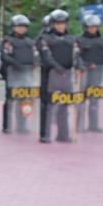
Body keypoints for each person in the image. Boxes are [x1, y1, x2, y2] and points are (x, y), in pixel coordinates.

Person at [39, 9, 80, 143]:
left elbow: (77, 55)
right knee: (49, 105)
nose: (61, 26)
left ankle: (63, 135)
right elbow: (46, 56)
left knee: (65, 105)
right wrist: (57, 67)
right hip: (51, 74)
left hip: (67, 75)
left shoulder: (72, 39)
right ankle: (45, 135)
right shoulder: (45, 39)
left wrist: (80, 65)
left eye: (63, 23)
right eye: (58, 23)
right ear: (52, 24)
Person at [1, 14, 39, 134]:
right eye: (19, 26)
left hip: (27, 74)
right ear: (13, 27)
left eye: (24, 27)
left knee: (24, 100)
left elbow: (36, 55)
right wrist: (16, 64)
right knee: (10, 100)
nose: (21, 29)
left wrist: (36, 63)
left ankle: (21, 125)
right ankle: (7, 125)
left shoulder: (30, 42)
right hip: (13, 73)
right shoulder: (8, 41)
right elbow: (4, 55)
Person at [78, 13, 103, 133]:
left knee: (94, 99)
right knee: (81, 99)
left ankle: (94, 125)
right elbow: (77, 57)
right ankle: (79, 125)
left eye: (95, 26)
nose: (93, 29)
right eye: (91, 26)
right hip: (84, 73)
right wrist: (86, 64)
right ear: (86, 27)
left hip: (98, 73)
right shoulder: (80, 40)